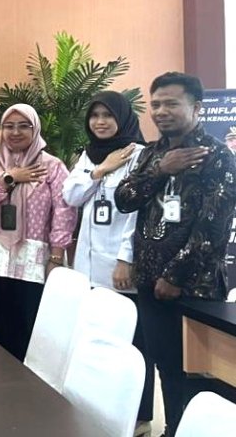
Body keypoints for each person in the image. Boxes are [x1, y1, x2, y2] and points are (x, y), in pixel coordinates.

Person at [116, 72, 236, 436]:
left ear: (197, 108)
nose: (161, 111)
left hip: (193, 286)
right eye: (155, 104)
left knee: (199, 372)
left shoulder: (217, 157)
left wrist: (175, 276)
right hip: (149, 282)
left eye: (171, 103)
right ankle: (174, 429)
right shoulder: (152, 153)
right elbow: (124, 199)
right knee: (166, 365)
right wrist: (160, 170)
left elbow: (213, 227)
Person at [61, 91, 153, 433]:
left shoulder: (140, 155)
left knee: (130, 343)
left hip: (119, 266)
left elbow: (138, 215)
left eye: (108, 115)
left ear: (123, 118)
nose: (100, 122)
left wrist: (125, 259)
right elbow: (71, 195)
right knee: (97, 338)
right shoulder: (90, 155)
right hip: (88, 265)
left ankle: (139, 416)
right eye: (95, 115)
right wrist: (101, 170)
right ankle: (99, 409)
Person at [0, 104, 73, 361]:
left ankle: (29, 381)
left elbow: (64, 212)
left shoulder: (52, 166)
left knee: (31, 325)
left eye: (23, 126)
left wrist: (56, 257)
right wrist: (9, 177)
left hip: (35, 260)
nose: (15, 132)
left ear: (35, 129)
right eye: (9, 126)